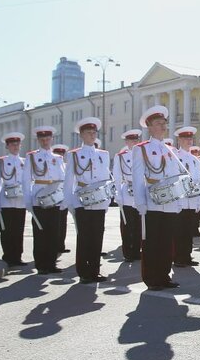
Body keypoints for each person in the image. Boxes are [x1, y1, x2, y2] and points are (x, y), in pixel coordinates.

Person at [132, 106, 185, 290]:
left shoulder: (171, 150)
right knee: (152, 242)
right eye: (158, 124)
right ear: (149, 127)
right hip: (152, 201)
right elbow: (138, 177)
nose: (163, 127)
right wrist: (140, 202)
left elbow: (176, 177)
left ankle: (164, 276)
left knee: (166, 242)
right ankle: (151, 278)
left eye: (164, 123)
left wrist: (179, 201)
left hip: (170, 201)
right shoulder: (142, 149)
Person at [64, 117, 112, 283]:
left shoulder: (103, 155)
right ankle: (84, 272)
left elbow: (106, 177)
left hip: (99, 199)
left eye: (94, 133)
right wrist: (69, 202)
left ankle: (95, 269)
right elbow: (69, 181)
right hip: (81, 199)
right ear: (82, 135)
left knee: (97, 235)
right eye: (88, 133)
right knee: (84, 237)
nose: (92, 135)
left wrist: (107, 199)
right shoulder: (74, 155)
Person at [23, 126, 66, 275]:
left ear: (52, 139)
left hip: (55, 198)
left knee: (53, 232)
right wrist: (27, 200)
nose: (45, 141)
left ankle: (51, 263)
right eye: (42, 139)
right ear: (38, 141)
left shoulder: (58, 158)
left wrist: (64, 198)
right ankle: (41, 265)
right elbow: (26, 179)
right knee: (40, 232)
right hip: (38, 197)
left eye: (47, 139)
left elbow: (63, 178)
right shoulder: (32, 157)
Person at [0, 132, 28, 268]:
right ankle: (8, 256)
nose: (15, 147)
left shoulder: (25, 162)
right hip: (6, 200)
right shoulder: (1, 161)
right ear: (7, 146)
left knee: (19, 230)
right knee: (7, 230)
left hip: (20, 201)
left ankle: (17, 256)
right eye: (12, 144)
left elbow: (27, 182)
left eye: (17, 144)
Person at [169, 126, 200, 268]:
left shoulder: (195, 159)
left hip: (192, 199)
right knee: (179, 230)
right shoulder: (175, 157)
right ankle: (178, 257)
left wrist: (198, 201)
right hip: (180, 200)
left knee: (188, 230)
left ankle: (187, 255)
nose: (189, 141)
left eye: (190, 139)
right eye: (186, 139)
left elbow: (198, 180)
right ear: (180, 140)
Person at [113, 129, 143, 261]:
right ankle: (127, 252)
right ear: (127, 142)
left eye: (136, 140)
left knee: (138, 224)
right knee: (127, 224)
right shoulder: (120, 156)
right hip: (126, 192)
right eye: (132, 140)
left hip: (139, 191)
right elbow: (117, 176)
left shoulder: (142, 154)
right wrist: (118, 193)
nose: (134, 142)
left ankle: (137, 251)